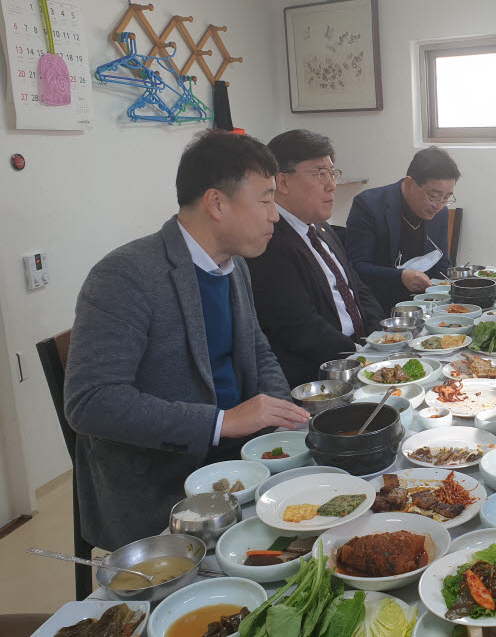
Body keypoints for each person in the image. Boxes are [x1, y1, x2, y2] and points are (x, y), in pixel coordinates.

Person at [64, 130, 310, 551]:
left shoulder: (234, 265)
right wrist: (221, 423)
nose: (275, 216)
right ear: (216, 202)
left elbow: (258, 347)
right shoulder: (126, 276)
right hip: (164, 484)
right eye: (265, 201)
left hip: (243, 460)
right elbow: (90, 402)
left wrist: (278, 417)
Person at [245, 129, 384, 387]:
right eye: (320, 174)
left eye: (332, 173)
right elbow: (300, 328)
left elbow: (356, 287)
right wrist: (361, 357)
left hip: (363, 353)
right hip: (322, 375)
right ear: (283, 183)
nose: (331, 184)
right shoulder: (269, 242)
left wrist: (381, 336)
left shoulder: (319, 226)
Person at [346, 147, 459, 312]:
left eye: (447, 197)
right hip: (379, 305)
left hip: (427, 304)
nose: (439, 205)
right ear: (410, 184)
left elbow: (442, 265)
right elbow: (355, 267)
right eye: (433, 196)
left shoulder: (440, 212)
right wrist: (400, 277)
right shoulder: (368, 205)